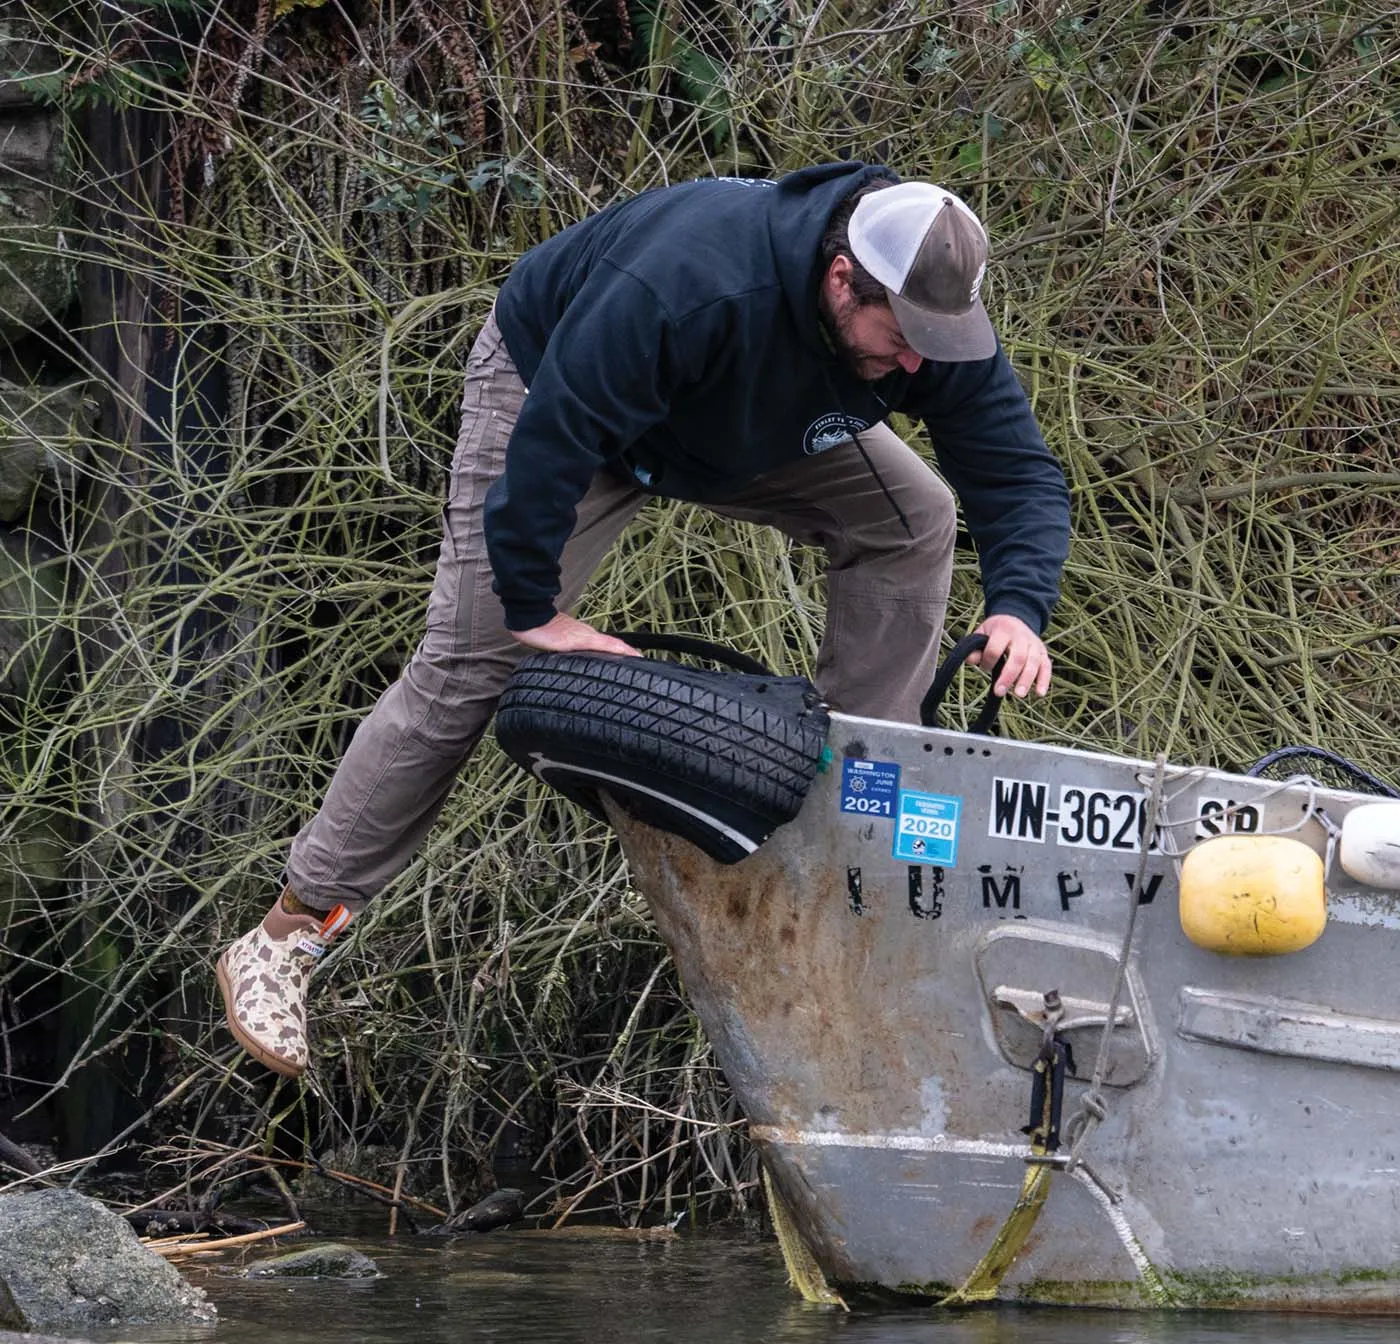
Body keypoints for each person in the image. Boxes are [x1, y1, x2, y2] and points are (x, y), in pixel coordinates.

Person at [215, 160, 1071, 1077]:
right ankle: (288, 933)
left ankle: (851, 838)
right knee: (472, 660)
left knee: (915, 522)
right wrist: (535, 610)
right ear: (840, 279)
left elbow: (1017, 471)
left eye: (931, 348)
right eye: (900, 340)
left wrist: (1019, 607)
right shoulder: (688, 278)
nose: (915, 365)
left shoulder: (925, 327)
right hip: (560, 400)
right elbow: (557, 431)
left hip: (740, 426)